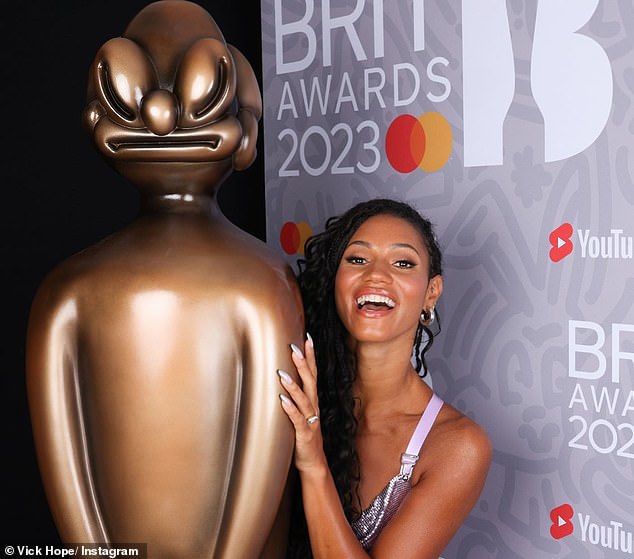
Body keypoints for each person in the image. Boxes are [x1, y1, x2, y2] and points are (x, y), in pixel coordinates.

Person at [276, 198, 493, 558]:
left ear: (431, 293)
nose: (376, 274)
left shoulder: (458, 446)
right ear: (336, 280)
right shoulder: (292, 392)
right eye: (357, 259)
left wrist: (313, 462)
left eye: (403, 262)